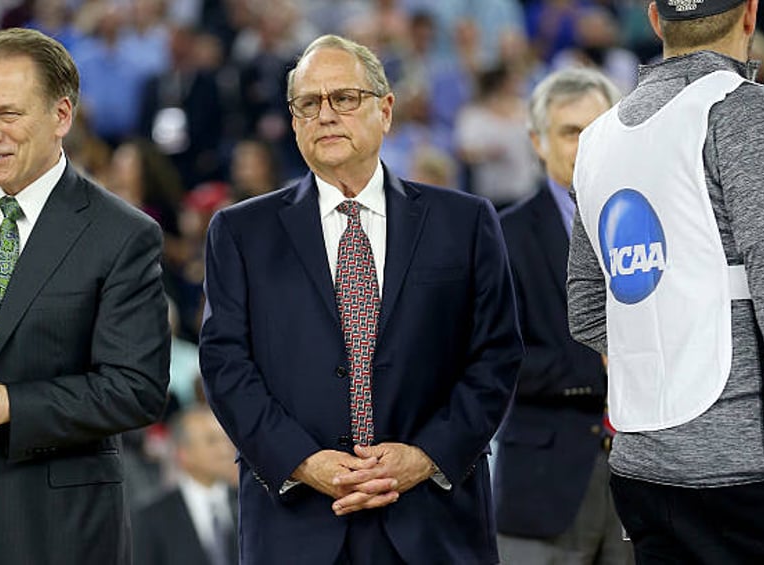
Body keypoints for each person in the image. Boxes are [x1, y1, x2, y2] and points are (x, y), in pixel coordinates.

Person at [199, 34, 522, 565]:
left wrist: (424, 456)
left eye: (344, 98)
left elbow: (496, 354)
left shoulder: (463, 222)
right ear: (294, 121)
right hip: (297, 524)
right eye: (309, 103)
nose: (326, 115)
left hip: (433, 520)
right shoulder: (240, 232)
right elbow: (226, 366)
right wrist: (304, 461)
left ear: (386, 110)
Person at [0, 28, 170, 564]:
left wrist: (7, 403)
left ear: (61, 116)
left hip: (54, 531)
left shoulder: (122, 234)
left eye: (8, 115)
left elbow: (137, 387)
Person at [568, 1, 764, 562]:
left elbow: (585, 309)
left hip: (639, 460)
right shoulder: (748, 114)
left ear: (655, 20)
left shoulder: (597, 138)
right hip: (742, 465)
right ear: (750, 15)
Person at [497, 67, 632, 564]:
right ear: (537, 141)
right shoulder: (500, 235)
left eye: (597, 128)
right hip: (544, 484)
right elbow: (495, 357)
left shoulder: (654, 222)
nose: (585, 143)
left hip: (644, 483)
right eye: (570, 131)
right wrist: (601, 365)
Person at [133, 404, 238, 565]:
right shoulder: (151, 517)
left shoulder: (248, 506)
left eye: (226, 440)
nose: (225, 450)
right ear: (183, 453)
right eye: (212, 441)